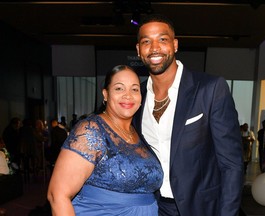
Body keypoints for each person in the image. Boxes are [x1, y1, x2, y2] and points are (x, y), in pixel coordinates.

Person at [133, 14, 244, 216]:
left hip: (202, 208)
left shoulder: (210, 89)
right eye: (146, 41)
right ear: (139, 50)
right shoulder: (136, 97)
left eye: (162, 39)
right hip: (153, 208)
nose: (154, 48)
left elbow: (231, 165)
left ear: (175, 45)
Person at [47, 65, 163, 216]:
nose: (128, 95)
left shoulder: (140, 133)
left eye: (134, 89)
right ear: (105, 94)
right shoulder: (91, 130)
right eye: (119, 88)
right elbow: (57, 195)